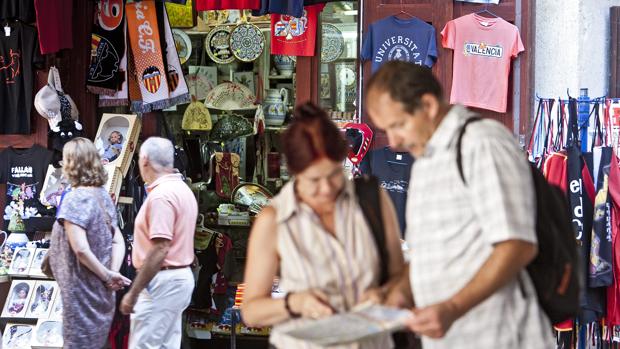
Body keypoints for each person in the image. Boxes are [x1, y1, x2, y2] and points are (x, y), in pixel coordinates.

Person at [365, 61, 554, 348]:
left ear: (427, 106)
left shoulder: (481, 143)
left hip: (498, 337)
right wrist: (398, 292)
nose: (393, 142)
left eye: (398, 125)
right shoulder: (427, 161)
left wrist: (452, 307)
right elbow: (433, 255)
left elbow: (517, 245)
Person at [241, 102, 405, 349]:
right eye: (314, 180)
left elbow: (401, 275)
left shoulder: (372, 200)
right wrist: (296, 303)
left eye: (333, 174)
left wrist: (384, 294)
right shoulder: (275, 219)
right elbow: (252, 311)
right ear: (295, 172)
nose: (327, 188)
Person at [48, 137, 131, 349]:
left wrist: (107, 275)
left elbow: (81, 250)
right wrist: (110, 274)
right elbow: (117, 240)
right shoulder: (102, 196)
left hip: (81, 293)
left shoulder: (75, 199)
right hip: (101, 293)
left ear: (70, 164)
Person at [119, 137, 198, 349]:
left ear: (144, 160)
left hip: (162, 281)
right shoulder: (181, 189)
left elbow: (160, 248)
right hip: (175, 279)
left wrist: (133, 293)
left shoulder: (161, 196)